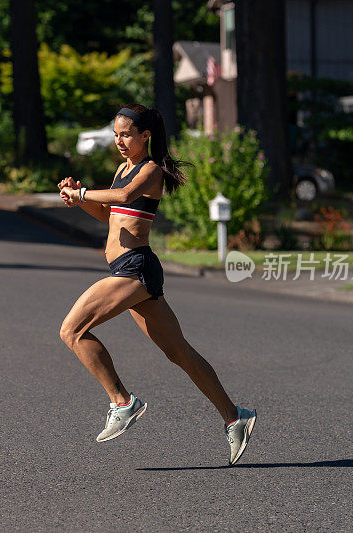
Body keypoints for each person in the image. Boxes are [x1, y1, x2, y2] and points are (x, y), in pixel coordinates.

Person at [58, 104, 256, 466]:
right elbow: (109, 213)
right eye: (116, 134)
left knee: (72, 331)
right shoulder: (123, 168)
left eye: (126, 134)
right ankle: (235, 416)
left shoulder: (149, 170)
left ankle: (123, 402)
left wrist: (84, 191)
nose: (119, 141)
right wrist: (79, 200)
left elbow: (121, 198)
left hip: (134, 270)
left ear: (145, 136)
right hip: (130, 269)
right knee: (179, 352)